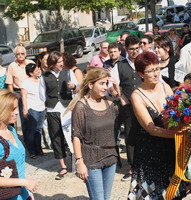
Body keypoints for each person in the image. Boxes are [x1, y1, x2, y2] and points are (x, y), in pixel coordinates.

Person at [128, 51, 175, 199]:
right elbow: (151, 129)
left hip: (170, 149)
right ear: (140, 74)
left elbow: (177, 113)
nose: (156, 74)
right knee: (151, 194)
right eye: (150, 71)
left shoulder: (165, 86)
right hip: (150, 152)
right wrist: (177, 134)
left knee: (171, 193)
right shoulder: (137, 96)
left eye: (157, 69)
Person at [72, 68, 120, 200]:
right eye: (101, 83)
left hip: (111, 157)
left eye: (106, 83)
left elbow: (127, 111)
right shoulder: (81, 106)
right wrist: (79, 162)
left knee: (106, 197)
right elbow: (76, 135)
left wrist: (117, 88)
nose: (105, 87)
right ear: (91, 85)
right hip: (92, 159)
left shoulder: (110, 104)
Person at [40, 51, 79, 180]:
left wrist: (73, 87)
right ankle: (63, 166)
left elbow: (78, 89)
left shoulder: (68, 72)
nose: (62, 63)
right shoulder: (44, 76)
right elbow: (42, 95)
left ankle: (77, 161)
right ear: (52, 64)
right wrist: (49, 104)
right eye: (59, 62)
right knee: (56, 138)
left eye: (62, 61)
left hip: (67, 108)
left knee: (71, 135)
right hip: (52, 110)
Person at [109, 35, 142, 181]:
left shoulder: (145, 61)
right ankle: (133, 167)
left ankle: (146, 164)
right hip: (127, 105)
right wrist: (114, 91)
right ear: (126, 49)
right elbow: (112, 85)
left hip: (145, 104)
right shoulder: (119, 66)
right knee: (130, 136)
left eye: (137, 48)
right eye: (131, 49)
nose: (135, 52)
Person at [0, 89, 38, 200]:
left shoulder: (11, 130)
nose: (17, 112)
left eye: (17, 108)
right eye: (12, 109)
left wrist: (26, 191)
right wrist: (24, 182)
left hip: (21, 194)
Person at [5, 46, 35, 143]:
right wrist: (13, 98)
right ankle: (28, 142)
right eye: (18, 54)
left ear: (25, 54)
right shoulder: (12, 66)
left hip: (32, 93)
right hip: (19, 93)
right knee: (24, 118)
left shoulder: (31, 63)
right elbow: (9, 83)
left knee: (35, 117)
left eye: (22, 53)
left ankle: (36, 142)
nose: (20, 56)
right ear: (15, 55)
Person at [21, 63, 46, 159]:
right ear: (31, 73)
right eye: (36, 70)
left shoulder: (40, 80)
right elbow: (24, 96)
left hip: (42, 107)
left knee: (38, 130)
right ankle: (31, 151)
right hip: (32, 108)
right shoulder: (25, 82)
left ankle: (39, 150)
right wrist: (25, 109)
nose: (38, 71)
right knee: (31, 130)